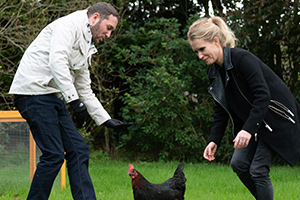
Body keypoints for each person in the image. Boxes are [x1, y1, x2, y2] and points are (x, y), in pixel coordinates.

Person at [9, 2, 132, 200]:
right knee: (54, 155)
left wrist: (105, 119)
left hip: (52, 97)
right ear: (95, 18)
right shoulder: (68, 26)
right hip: (33, 94)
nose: (109, 35)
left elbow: (84, 87)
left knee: (79, 149)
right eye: (108, 28)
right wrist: (74, 101)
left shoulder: (87, 43)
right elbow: (57, 61)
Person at [187, 16, 300, 200]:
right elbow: (221, 108)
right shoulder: (214, 71)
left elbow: (263, 95)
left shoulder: (242, 59)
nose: (199, 56)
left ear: (215, 41)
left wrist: (247, 130)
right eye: (196, 51)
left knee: (257, 169)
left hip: (276, 119)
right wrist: (214, 139)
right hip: (255, 123)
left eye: (202, 49)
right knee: (239, 164)